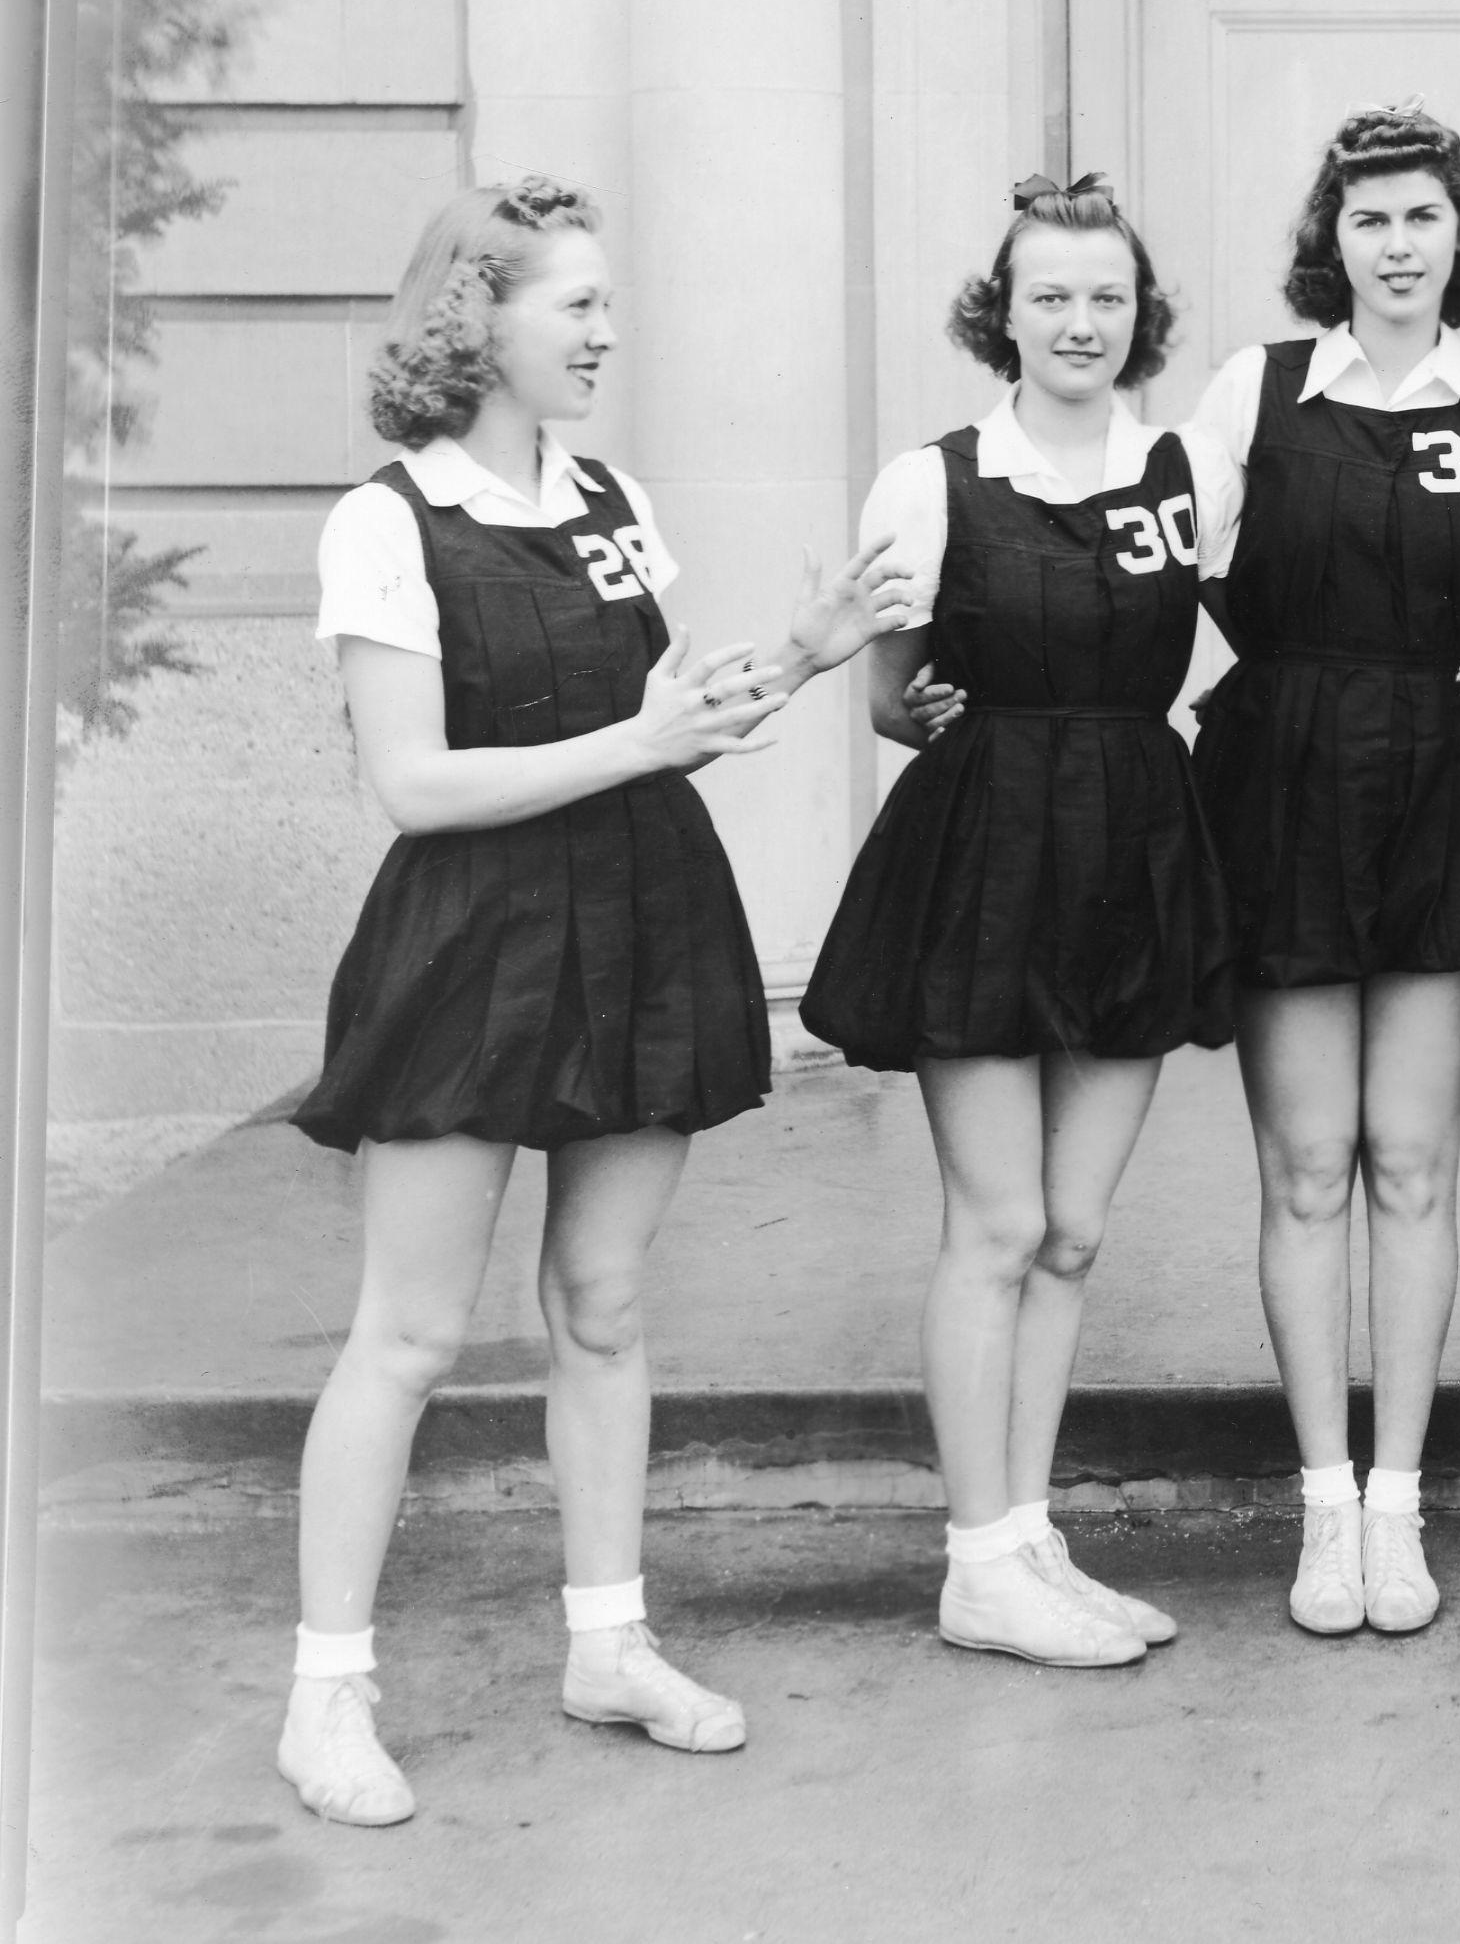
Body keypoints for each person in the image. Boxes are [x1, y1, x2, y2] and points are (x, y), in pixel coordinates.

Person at [282, 179, 910, 1826]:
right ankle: (326, 1694)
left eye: (605, 305)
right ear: (473, 319)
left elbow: (676, 710)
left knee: (607, 1306)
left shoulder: (612, 491)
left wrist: (806, 649)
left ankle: (608, 1643)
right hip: (474, 936)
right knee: (410, 1332)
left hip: (639, 912)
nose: (606, 332)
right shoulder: (389, 519)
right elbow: (413, 784)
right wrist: (642, 744)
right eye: (575, 306)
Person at [800, 176, 1241, 1669]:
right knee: (993, 1222)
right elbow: (889, 695)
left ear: (1141, 315)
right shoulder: (930, 483)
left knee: (1074, 1226)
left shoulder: (1181, 469)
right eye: (1050, 294)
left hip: (1133, 846)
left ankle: (1029, 1537)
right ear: (1005, 312)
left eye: (1106, 296)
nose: (1080, 321)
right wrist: (922, 709)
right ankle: (975, 1562)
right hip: (987, 853)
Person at [1184, 103, 1460, 1635]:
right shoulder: (1253, 389)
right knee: (1305, 1163)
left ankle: (1399, 1506)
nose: (1397, 245)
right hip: (1282, 775)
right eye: (1369, 219)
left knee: (1413, 1161)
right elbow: (1152, 553)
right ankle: (1322, 1506)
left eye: (1422, 217)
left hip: (1442, 784)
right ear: (1330, 242)